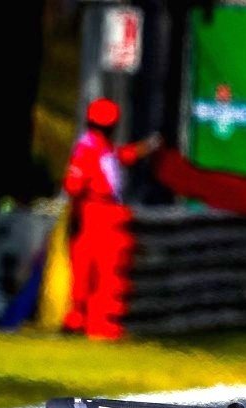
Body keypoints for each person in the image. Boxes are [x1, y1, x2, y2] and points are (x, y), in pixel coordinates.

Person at [62, 98, 159, 339]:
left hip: (102, 211)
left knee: (99, 269)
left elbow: (121, 156)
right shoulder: (88, 147)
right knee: (96, 269)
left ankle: (86, 319)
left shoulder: (102, 147)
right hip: (93, 211)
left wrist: (145, 147)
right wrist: (76, 213)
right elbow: (74, 184)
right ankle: (90, 320)